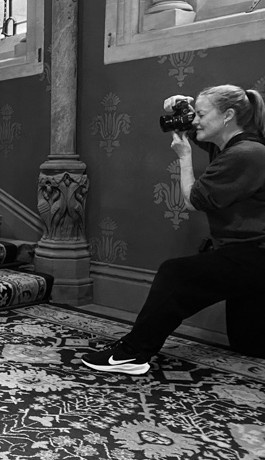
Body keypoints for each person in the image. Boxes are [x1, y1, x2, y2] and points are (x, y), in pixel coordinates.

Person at [82, 84, 265, 375]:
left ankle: (133, 354)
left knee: (174, 273)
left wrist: (183, 156)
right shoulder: (238, 146)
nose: (196, 121)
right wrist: (178, 110)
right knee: (249, 343)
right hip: (246, 253)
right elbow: (195, 132)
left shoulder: (246, 154)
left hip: (254, 254)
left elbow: (193, 200)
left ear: (228, 115)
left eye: (202, 114)